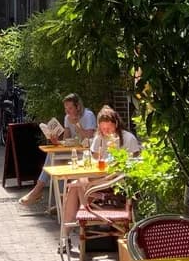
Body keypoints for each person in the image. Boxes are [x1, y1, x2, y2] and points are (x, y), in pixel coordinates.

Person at [59, 106, 140, 252]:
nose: (106, 132)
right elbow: (94, 160)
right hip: (98, 181)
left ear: (116, 124)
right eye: (103, 129)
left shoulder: (128, 139)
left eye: (109, 128)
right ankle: (68, 233)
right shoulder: (99, 138)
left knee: (75, 185)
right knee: (76, 184)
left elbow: (134, 163)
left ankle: (67, 235)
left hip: (116, 182)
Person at [18, 93, 96, 205]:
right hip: (73, 151)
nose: (67, 112)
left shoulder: (88, 115)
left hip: (86, 153)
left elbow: (89, 139)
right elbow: (66, 140)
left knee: (53, 159)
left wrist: (77, 124)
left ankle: (38, 191)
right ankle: (61, 203)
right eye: (65, 108)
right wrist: (56, 142)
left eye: (70, 108)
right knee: (55, 159)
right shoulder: (67, 118)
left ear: (78, 107)